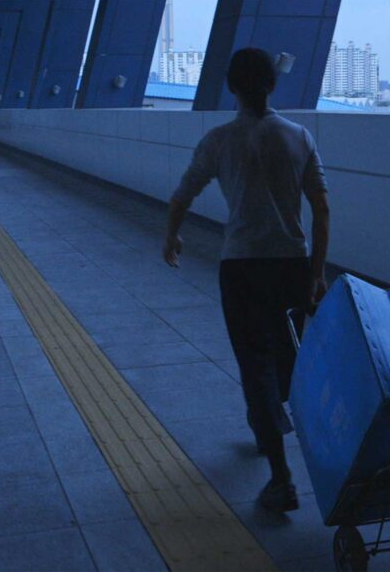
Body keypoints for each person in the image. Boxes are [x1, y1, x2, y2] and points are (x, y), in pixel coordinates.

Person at [162, 47, 330, 513]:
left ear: (232, 87)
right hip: (292, 266)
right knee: (286, 359)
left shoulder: (219, 141)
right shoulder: (299, 137)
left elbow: (182, 195)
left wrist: (171, 237)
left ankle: (280, 477)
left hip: (242, 267)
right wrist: (317, 272)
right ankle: (275, 425)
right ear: (271, 85)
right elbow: (321, 208)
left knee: (255, 364)